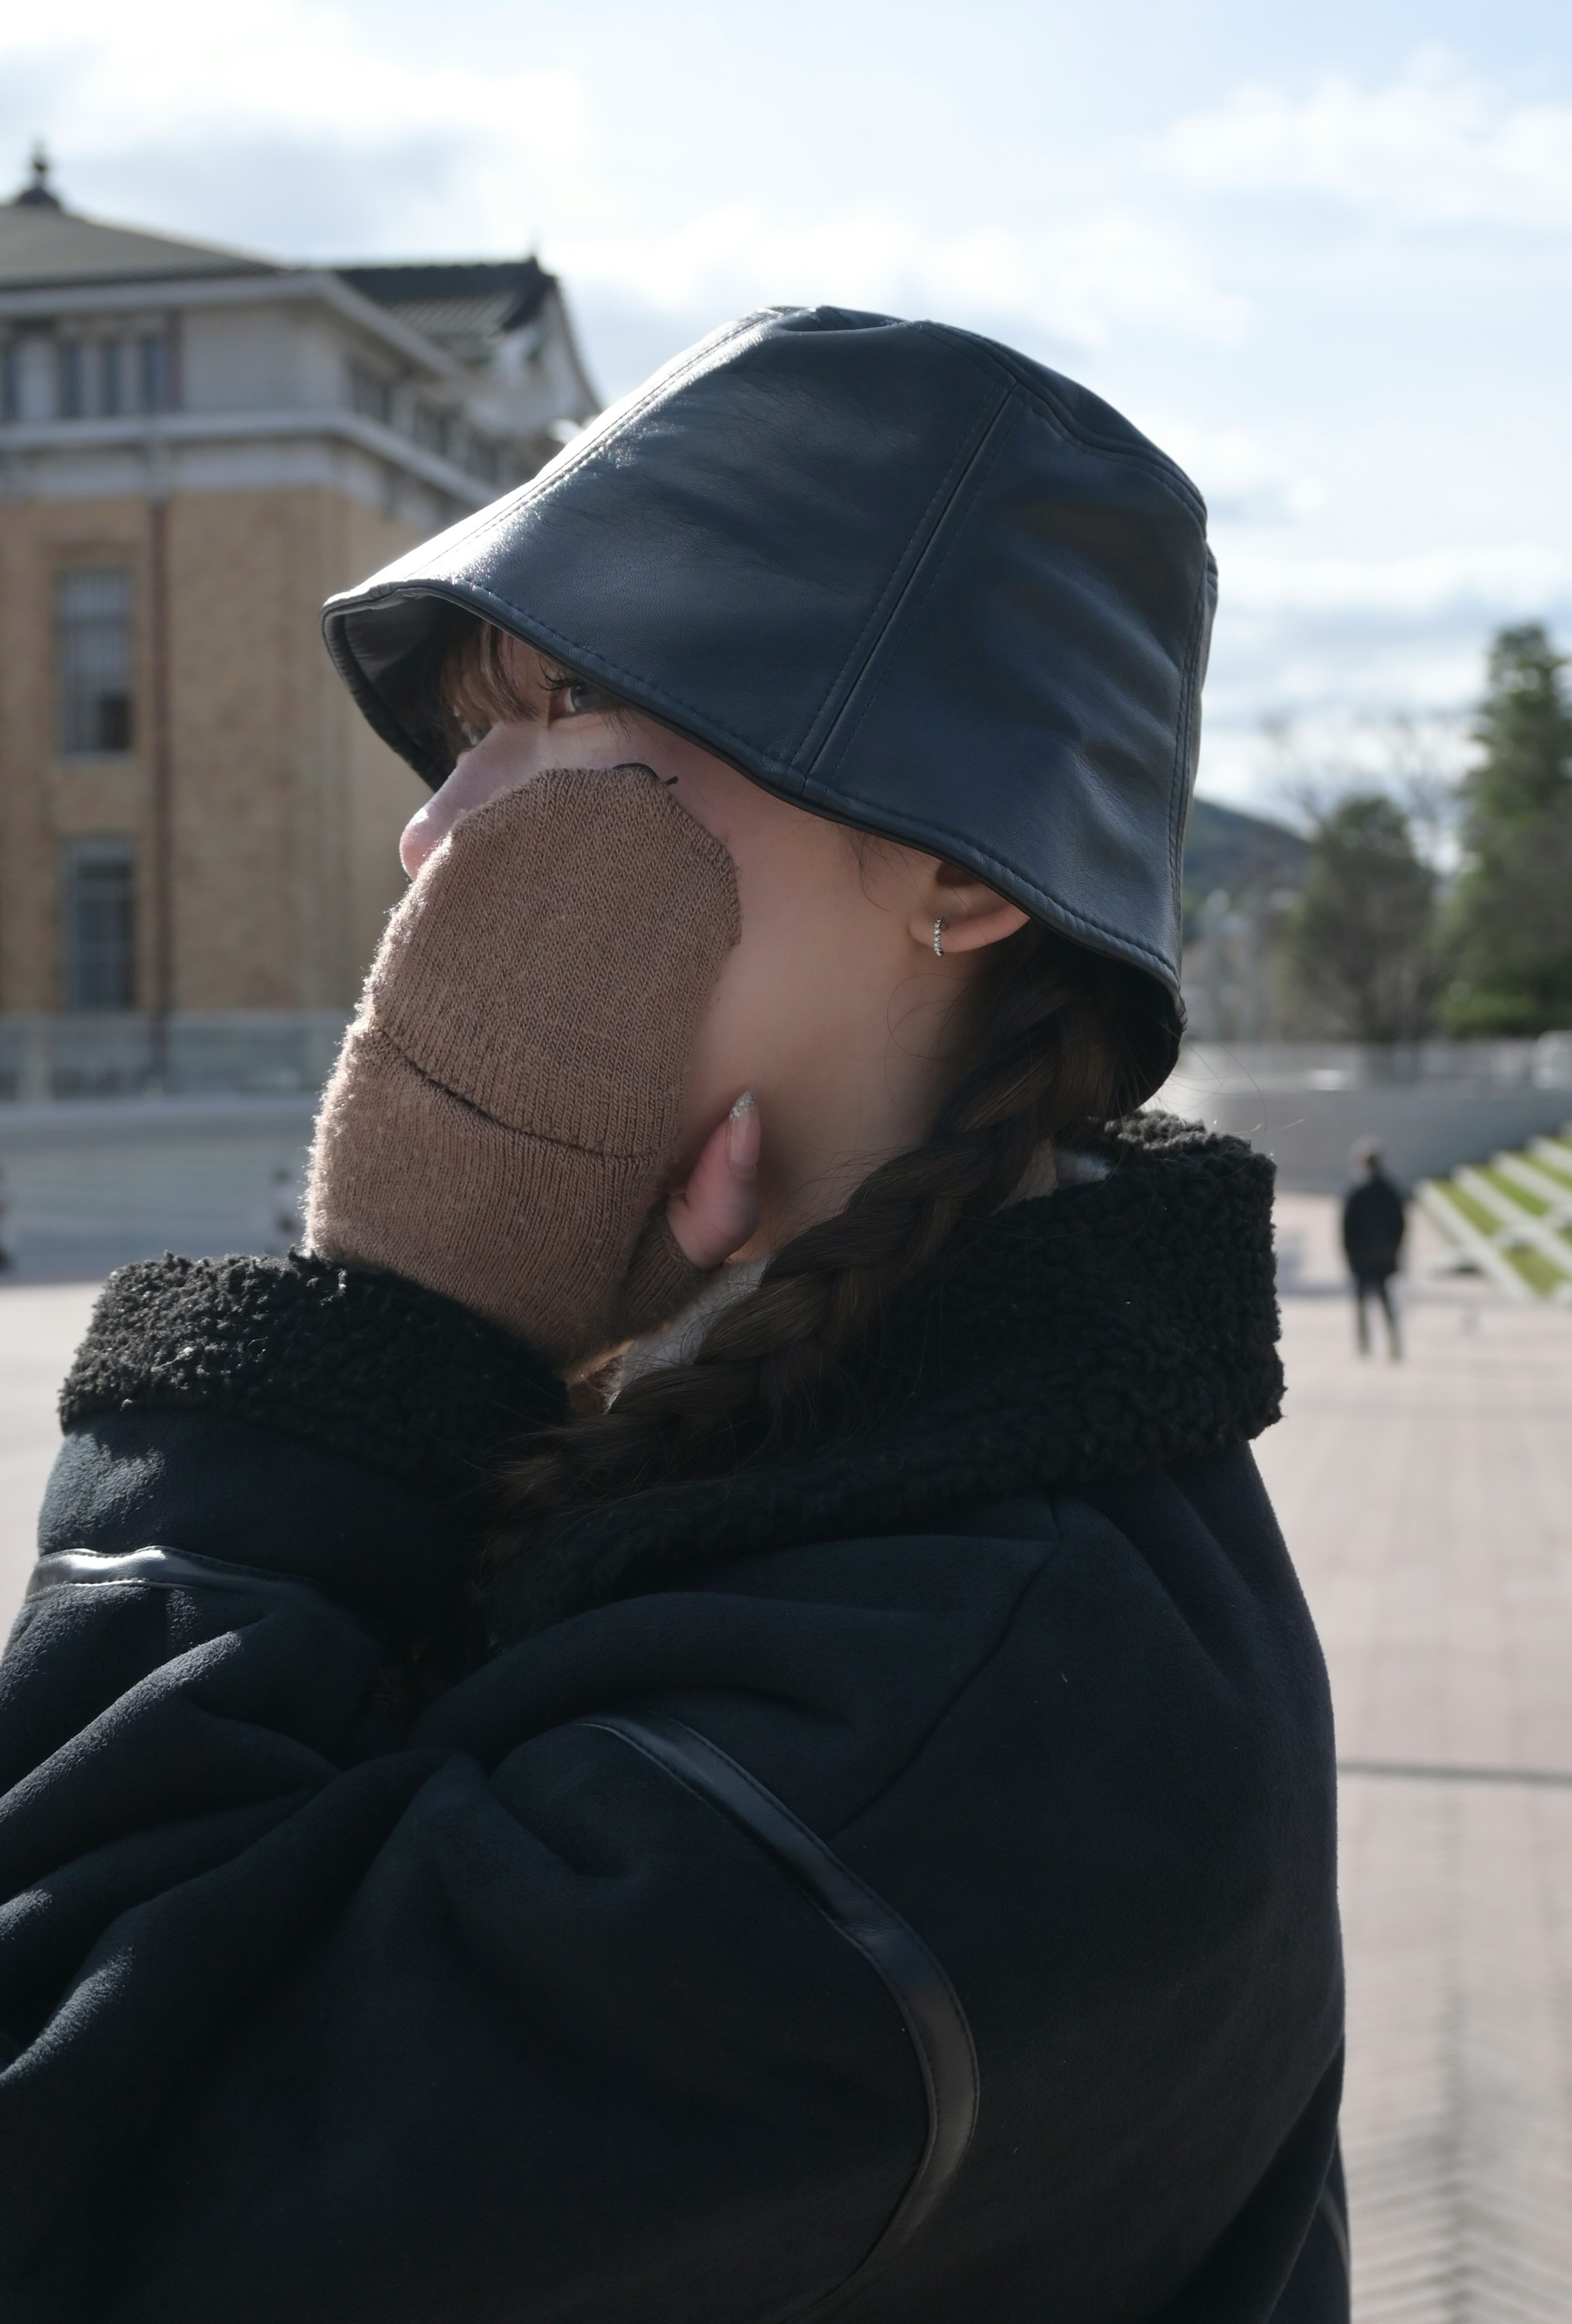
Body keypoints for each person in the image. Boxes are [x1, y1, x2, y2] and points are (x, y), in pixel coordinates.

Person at [0, 310, 1346, 2322]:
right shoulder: (809, 1432)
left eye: (562, 709)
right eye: (471, 732)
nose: (441, 826)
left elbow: (84, 2186)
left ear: (960, 876)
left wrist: (375, 1331)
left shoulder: (918, 1741)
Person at [1342, 1139, 1406, 1358]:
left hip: (1365, 1257)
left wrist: (1350, 1255)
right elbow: (1400, 1224)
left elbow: (1347, 1229)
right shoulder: (1389, 1191)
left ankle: (1365, 1344)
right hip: (1382, 1256)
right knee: (1384, 1302)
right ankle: (1391, 1343)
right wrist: (1394, 1249)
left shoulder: (1359, 1192)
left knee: (1365, 1302)